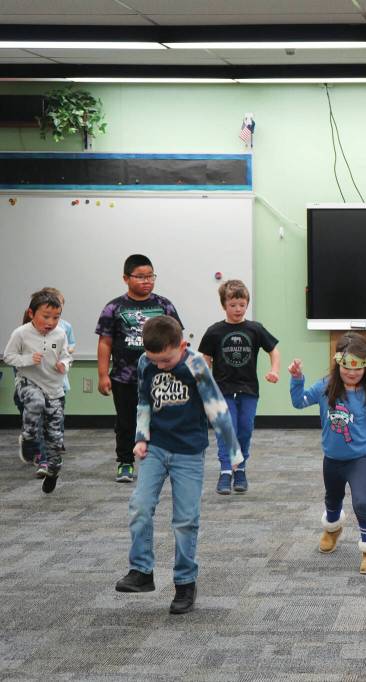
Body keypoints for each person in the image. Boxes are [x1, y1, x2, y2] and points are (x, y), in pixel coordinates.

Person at [114, 315, 241, 615]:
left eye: (166, 359)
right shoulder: (146, 362)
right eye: (154, 359)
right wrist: (141, 437)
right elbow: (143, 401)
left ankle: (185, 583)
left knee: (185, 520)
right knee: (140, 507)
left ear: (181, 345)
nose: (160, 365)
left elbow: (217, 409)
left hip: (188, 453)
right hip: (155, 448)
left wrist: (234, 455)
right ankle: (141, 571)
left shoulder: (195, 365)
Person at [289, 333, 366, 574]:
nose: (352, 372)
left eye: (358, 367)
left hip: (360, 459)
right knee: (332, 499)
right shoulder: (325, 387)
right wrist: (297, 379)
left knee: (362, 501)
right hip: (332, 460)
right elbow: (299, 402)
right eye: (347, 366)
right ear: (338, 363)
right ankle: (332, 529)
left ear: (365, 366)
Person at [96, 254, 181, 483]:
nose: (147, 281)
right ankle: (125, 462)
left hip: (160, 376)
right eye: (140, 277)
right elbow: (105, 342)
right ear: (126, 278)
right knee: (126, 421)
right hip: (125, 377)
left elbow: (177, 339)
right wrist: (103, 375)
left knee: (161, 419)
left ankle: (161, 460)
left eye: (150, 276)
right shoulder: (114, 307)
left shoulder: (163, 305)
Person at [198, 279, 280, 495]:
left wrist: (274, 370)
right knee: (227, 429)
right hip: (222, 389)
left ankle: (240, 467)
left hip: (249, 390)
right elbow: (205, 357)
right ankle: (226, 471)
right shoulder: (215, 331)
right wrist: (205, 382)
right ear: (224, 305)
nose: (238, 309)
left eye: (242, 304)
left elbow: (273, 350)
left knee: (245, 429)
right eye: (233, 305)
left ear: (247, 304)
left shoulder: (254, 329)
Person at [4, 289, 72, 493]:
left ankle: (52, 471)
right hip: (29, 381)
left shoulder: (60, 334)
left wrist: (64, 364)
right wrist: (26, 360)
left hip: (54, 388)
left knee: (56, 439)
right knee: (35, 402)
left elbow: (67, 356)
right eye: (46, 316)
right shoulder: (21, 333)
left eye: (56, 317)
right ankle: (28, 439)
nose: (51, 322)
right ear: (32, 314)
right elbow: (8, 356)